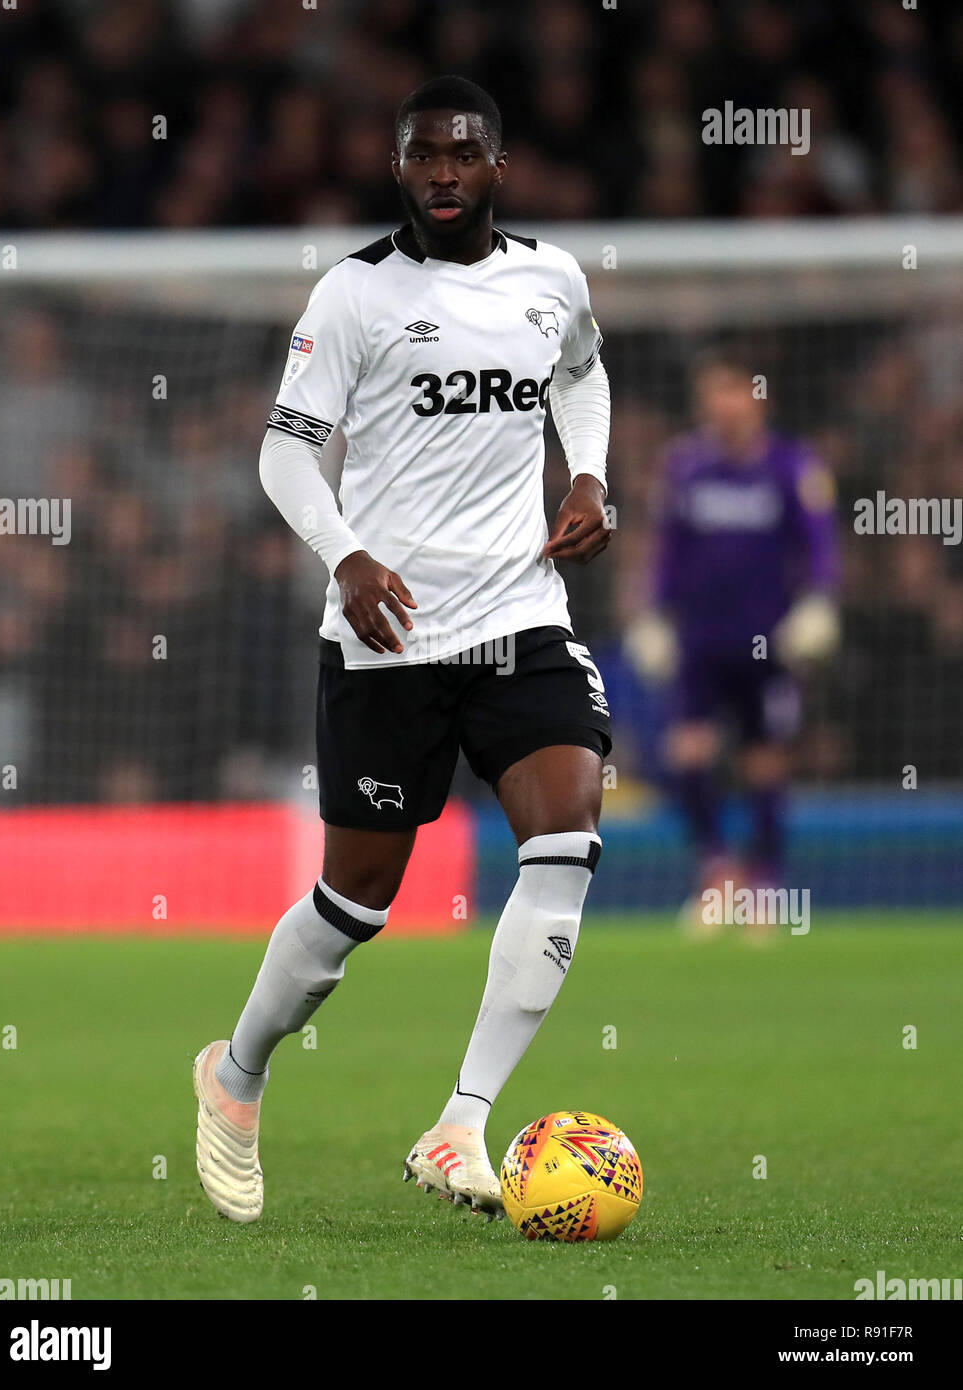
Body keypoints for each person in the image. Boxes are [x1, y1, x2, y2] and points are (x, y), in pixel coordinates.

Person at [194, 76, 613, 1223]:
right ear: (399, 169)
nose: (442, 173)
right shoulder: (355, 297)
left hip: (520, 617)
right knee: (354, 904)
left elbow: (581, 373)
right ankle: (234, 1078)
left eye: (461, 155)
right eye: (422, 156)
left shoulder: (551, 280)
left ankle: (460, 1124)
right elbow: (285, 457)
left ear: (497, 166)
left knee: (567, 835)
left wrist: (587, 473)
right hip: (389, 636)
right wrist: (345, 555)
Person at [625, 347, 839, 918]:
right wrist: (653, 613)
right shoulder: (685, 467)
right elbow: (668, 552)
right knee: (687, 753)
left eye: (734, 391)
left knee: (765, 761)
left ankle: (764, 886)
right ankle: (717, 874)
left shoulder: (793, 467)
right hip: (701, 640)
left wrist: (819, 604)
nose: (722, 405)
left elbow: (818, 548)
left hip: (768, 640)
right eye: (713, 393)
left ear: (757, 398)